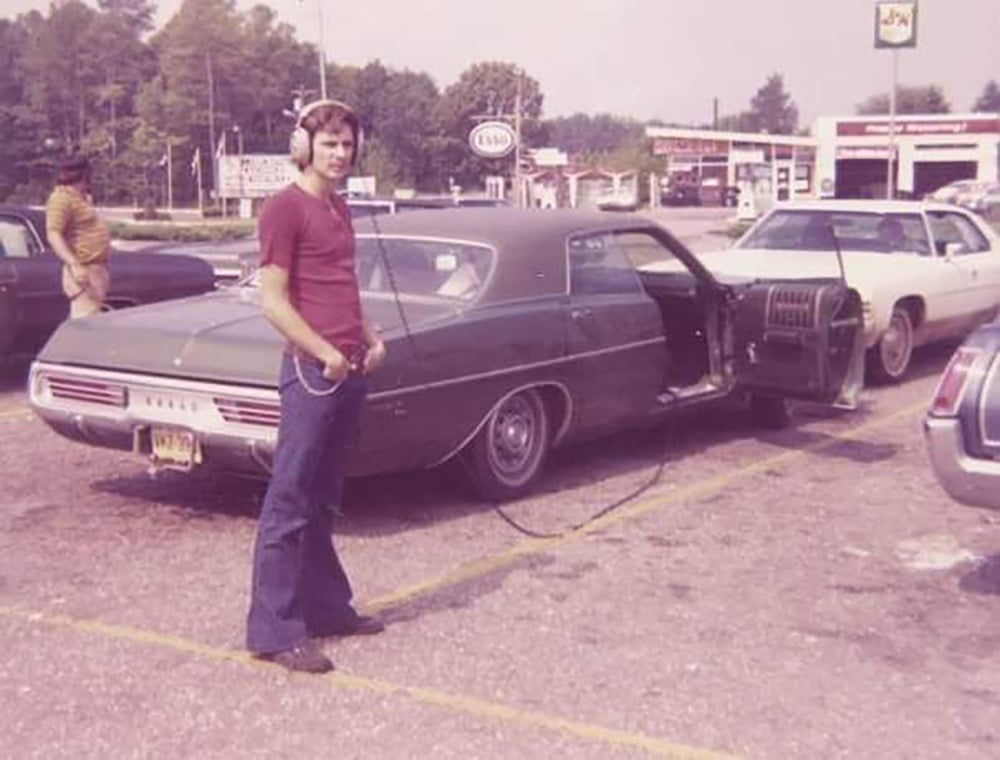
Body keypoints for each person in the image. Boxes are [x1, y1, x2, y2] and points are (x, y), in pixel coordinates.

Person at [246, 99, 388, 674]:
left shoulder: (339, 208)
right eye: (329, 144)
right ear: (303, 147)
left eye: (347, 144)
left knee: (323, 500)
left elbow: (340, 286)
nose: (340, 154)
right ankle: (274, 631)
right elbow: (272, 302)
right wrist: (325, 352)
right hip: (313, 374)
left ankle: (326, 608)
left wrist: (370, 337)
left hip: (349, 368)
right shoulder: (285, 208)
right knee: (289, 501)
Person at [45, 155, 111, 318]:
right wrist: (74, 264)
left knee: (92, 319)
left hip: (95, 269)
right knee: (87, 322)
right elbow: (53, 233)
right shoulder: (61, 199)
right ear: (83, 175)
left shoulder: (80, 198)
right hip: (83, 270)